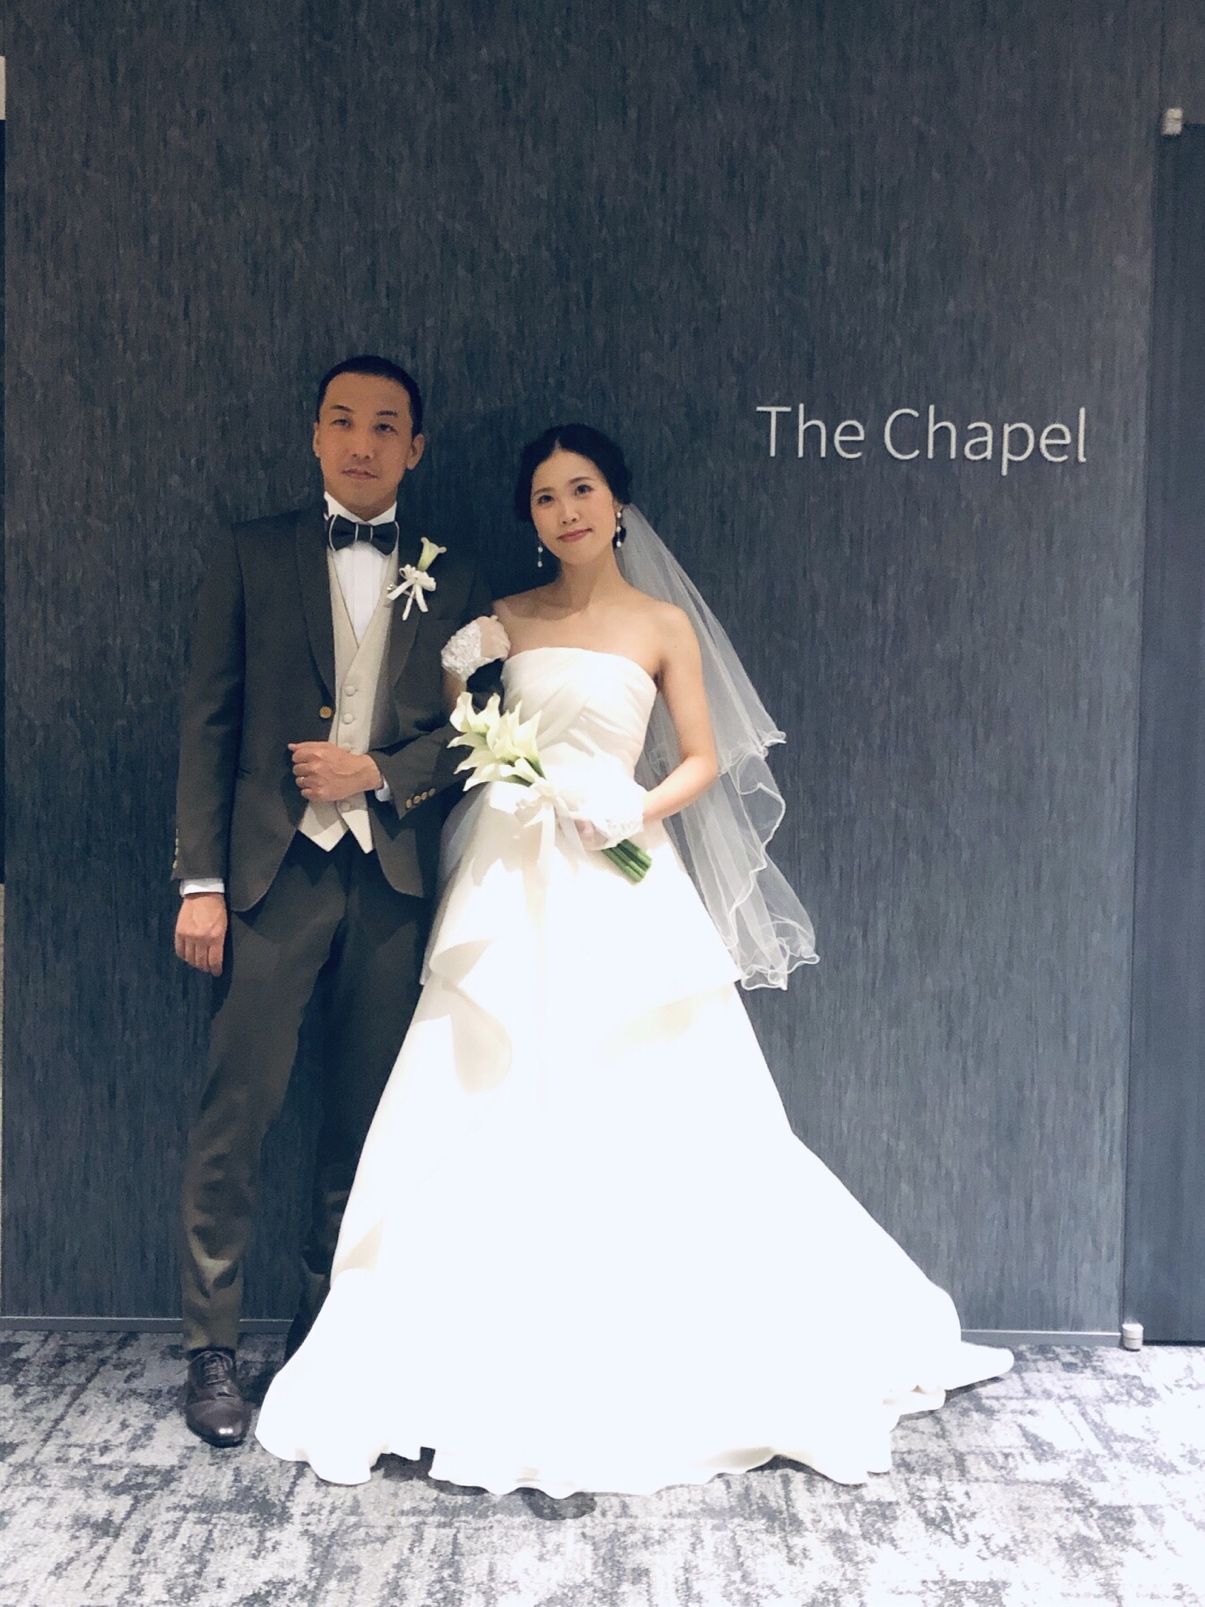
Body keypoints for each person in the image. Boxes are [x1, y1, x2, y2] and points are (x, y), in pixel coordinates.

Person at [254, 424, 1012, 1494]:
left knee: (650, 1093)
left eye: (581, 490)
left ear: (616, 503)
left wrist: (630, 807)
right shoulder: (503, 619)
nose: (564, 511)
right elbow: (463, 743)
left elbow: (701, 756)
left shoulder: (661, 624)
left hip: (616, 865)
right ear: (530, 518)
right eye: (544, 497)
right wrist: (470, 696)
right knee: (483, 1077)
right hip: (510, 871)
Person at [172, 354, 492, 1447]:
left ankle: (323, 1337)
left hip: (393, 884)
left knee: (363, 1122)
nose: (363, 441)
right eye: (343, 421)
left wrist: (380, 773)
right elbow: (207, 722)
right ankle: (211, 1346)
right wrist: (201, 883)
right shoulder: (251, 552)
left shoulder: (454, 573)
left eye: (386, 425)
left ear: (415, 446)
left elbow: (475, 734)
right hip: (269, 878)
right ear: (315, 434)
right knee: (238, 1109)